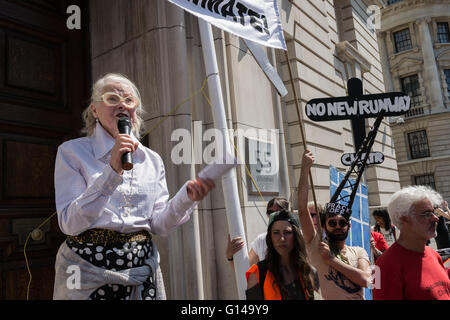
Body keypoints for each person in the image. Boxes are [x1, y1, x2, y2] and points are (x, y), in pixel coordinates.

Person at [53, 73, 215, 300]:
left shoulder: (152, 159)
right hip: (86, 271)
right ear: (94, 110)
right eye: (111, 98)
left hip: (141, 269)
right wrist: (112, 171)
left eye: (129, 100)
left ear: (135, 112)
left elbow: (159, 225)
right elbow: (69, 223)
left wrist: (186, 198)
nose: (122, 104)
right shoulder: (72, 152)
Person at [298, 149, 371, 300]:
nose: (338, 226)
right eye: (332, 222)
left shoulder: (358, 252)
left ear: (348, 226)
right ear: (324, 226)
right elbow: (302, 210)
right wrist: (305, 169)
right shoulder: (316, 245)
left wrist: (332, 260)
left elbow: (365, 280)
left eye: (342, 222)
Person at [373, 186, 450, 300]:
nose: (435, 218)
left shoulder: (434, 255)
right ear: (404, 219)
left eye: (433, 212)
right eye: (426, 214)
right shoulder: (385, 265)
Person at [245, 210, 316, 300]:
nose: (282, 238)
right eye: (276, 233)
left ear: (296, 236)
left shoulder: (306, 270)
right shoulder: (257, 273)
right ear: (270, 237)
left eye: (287, 232)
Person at [225, 197, 289, 265]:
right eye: (270, 212)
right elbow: (246, 270)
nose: (273, 215)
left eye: (278, 212)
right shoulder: (261, 240)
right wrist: (230, 256)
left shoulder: (298, 236)